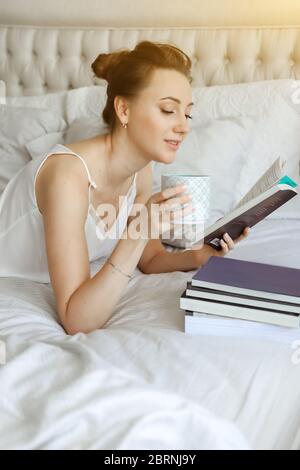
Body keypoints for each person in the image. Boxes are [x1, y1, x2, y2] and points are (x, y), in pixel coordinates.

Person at [0, 41, 250, 335]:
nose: (184, 126)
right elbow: (76, 320)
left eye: (187, 113)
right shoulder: (67, 175)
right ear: (124, 109)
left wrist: (201, 255)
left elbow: (150, 257)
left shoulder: (140, 169)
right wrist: (138, 231)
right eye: (169, 110)